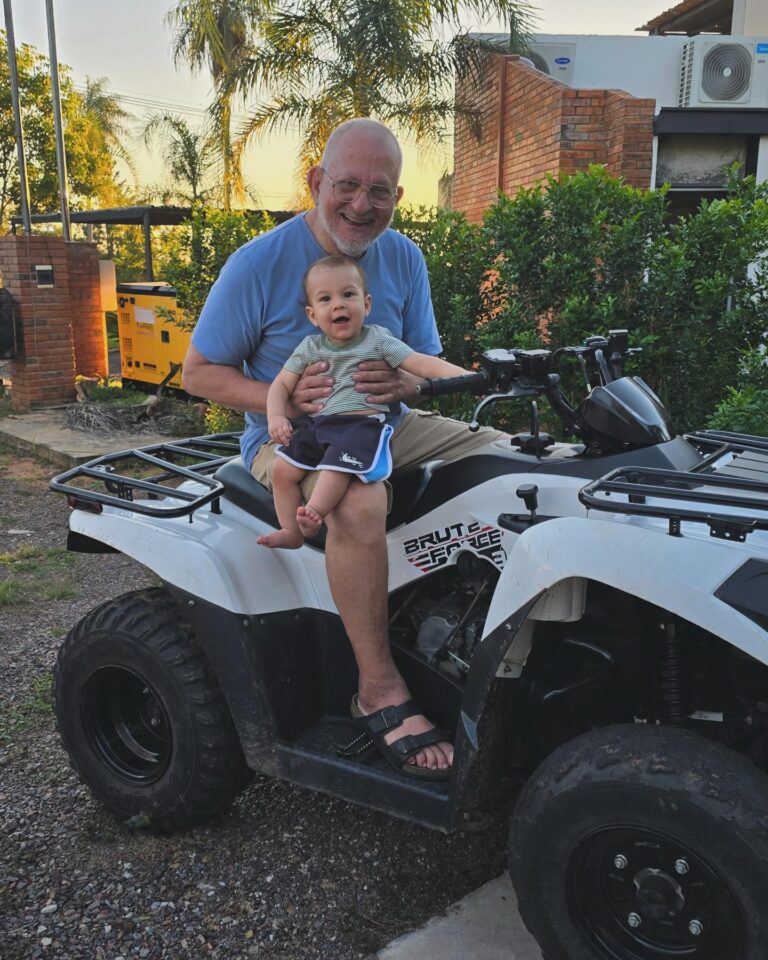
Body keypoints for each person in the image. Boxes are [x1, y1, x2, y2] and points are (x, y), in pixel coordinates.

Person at [183, 117, 504, 779]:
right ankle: (378, 689)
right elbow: (198, 373)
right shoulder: (260, 262)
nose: (362, 204)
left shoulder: (405, 258)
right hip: (294, 438)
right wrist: (286, 398)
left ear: (397, 195)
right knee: (356, 503)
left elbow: (425, 366)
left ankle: (491, 644)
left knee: (515, 461)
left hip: (388, 425)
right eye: (349, 185)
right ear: (316, 182)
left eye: (379, 190)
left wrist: (408, 380)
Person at [259, 255, 471, 549]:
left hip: (359, 428)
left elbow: (421, 364)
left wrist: (470, 378)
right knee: (282, 470)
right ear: (312, 315)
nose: (338, 304)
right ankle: (291, 531)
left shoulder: (378, 340)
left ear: (366, 304)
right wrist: (276, 417)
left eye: (348, 294)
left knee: (337, 471)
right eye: (325, 299)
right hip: (318, 426)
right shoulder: (309, 347)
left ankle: (314, 513)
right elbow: (281, 385)